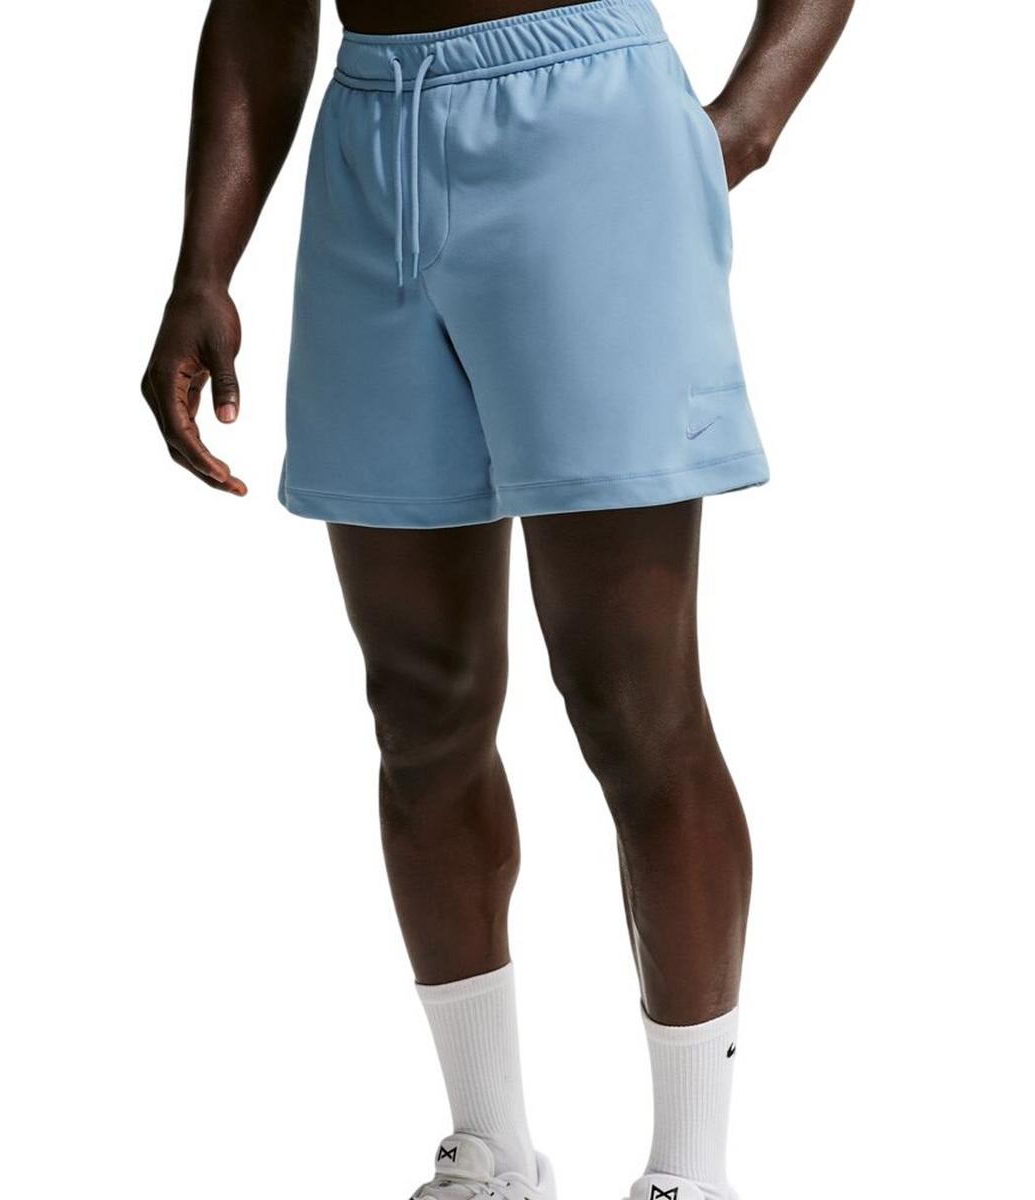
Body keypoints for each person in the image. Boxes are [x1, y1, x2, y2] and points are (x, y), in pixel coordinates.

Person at [140, 2, 852, 1197]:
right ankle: (492, 1154)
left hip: (588, 123)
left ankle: (689, 1171)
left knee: (632, 700)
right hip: (371, 147)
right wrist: (202, 266)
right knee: (422, 703)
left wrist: (747, 122)